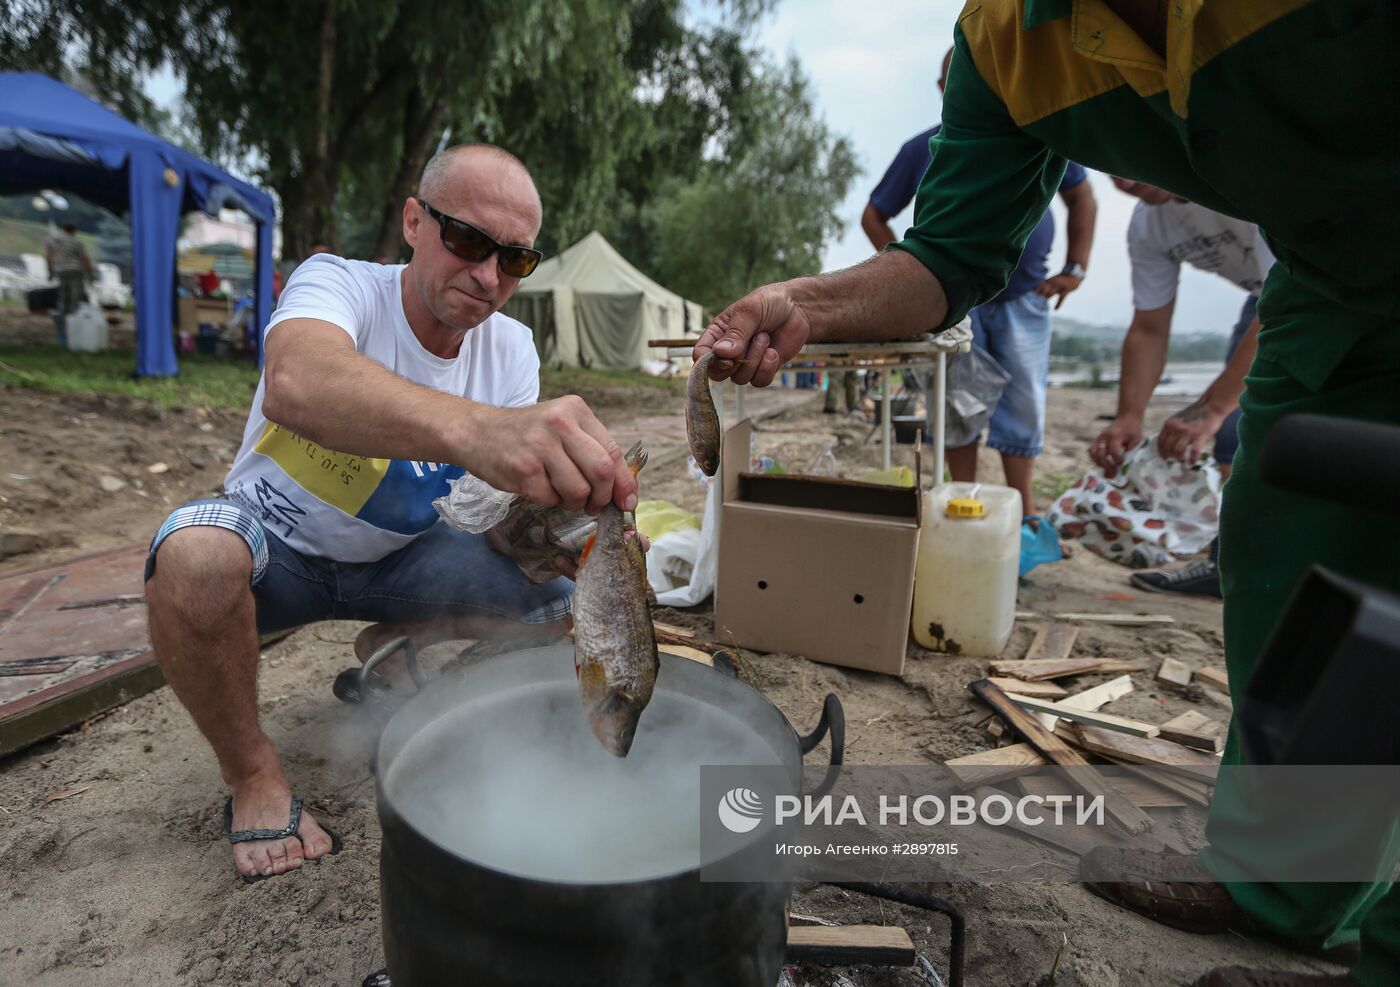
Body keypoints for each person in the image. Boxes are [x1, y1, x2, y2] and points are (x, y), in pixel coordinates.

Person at [696, 4, 1399, 985]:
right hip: (1326, 283)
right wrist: (798, 306)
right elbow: (944, 261)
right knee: (1278, 547)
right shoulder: (1001, 46)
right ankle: (1283, 880)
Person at [144, 143, 639, 882]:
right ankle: (253, 775)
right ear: (414, 221)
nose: (487, 276)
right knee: (193, 558)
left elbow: (488, 517)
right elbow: (296, 381)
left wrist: (557, 528)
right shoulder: (338, 284)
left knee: (562, 607)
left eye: (515, 260)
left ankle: (391, 639)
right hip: (276, 547)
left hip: (400, 560)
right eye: (468, 240)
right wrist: (478, 428)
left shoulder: (510, 349)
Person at [863, 46, 1098, 521]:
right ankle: (964, 502)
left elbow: (1083, 198)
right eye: (963, 81)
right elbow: (874, 215)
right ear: (944, 90)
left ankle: (1026, 515)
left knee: (1024, 404)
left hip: (1023, 299)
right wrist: (906, 278)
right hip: (952, 304)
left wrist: (1075, 267)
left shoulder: (1039, 134)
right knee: (954, 406)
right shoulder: (924, 148)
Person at [1090, 180, 1274, 598]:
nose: (1126, 181)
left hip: (1326, 287)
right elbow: (1149, 328)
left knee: (1243, 426)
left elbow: (1287, 300)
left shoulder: (1241, 183)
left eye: (1133, 160)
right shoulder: (1148, 226)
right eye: (1112, 169)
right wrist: (1128, 416)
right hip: (1265, 297)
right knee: (1234, 441)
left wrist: (1211, 408)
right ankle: (1228, 567)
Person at [44, 222, 93, 318]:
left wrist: (50, 271)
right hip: (75, 270)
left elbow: (48, 257)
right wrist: (90, 273)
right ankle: (74, 315)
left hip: (60, 270)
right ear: (74, 231)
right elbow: (84, 258)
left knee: (63, 293)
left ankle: (63, 314)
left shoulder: (54, 241)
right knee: (76, 294)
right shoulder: (76, 242)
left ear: (64, 229)